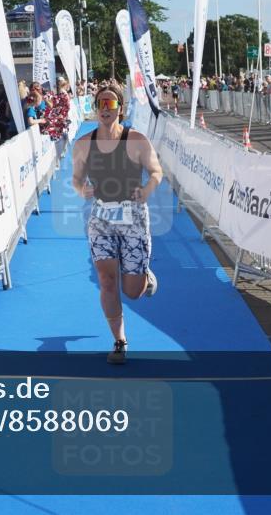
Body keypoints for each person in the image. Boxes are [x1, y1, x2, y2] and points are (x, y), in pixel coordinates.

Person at [72, 84, 164, 365]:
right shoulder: (84, 144)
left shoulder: (136, 140)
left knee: (132, 292)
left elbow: (156, 171)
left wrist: (146, 191)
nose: (105, 109)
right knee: (106, 280)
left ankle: (145, 277)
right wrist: (82, 190)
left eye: (110, 104)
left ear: (120, 110)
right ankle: (120, 341)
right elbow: (76, 180)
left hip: (133, 218)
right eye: (100, 103)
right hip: (101, 219)